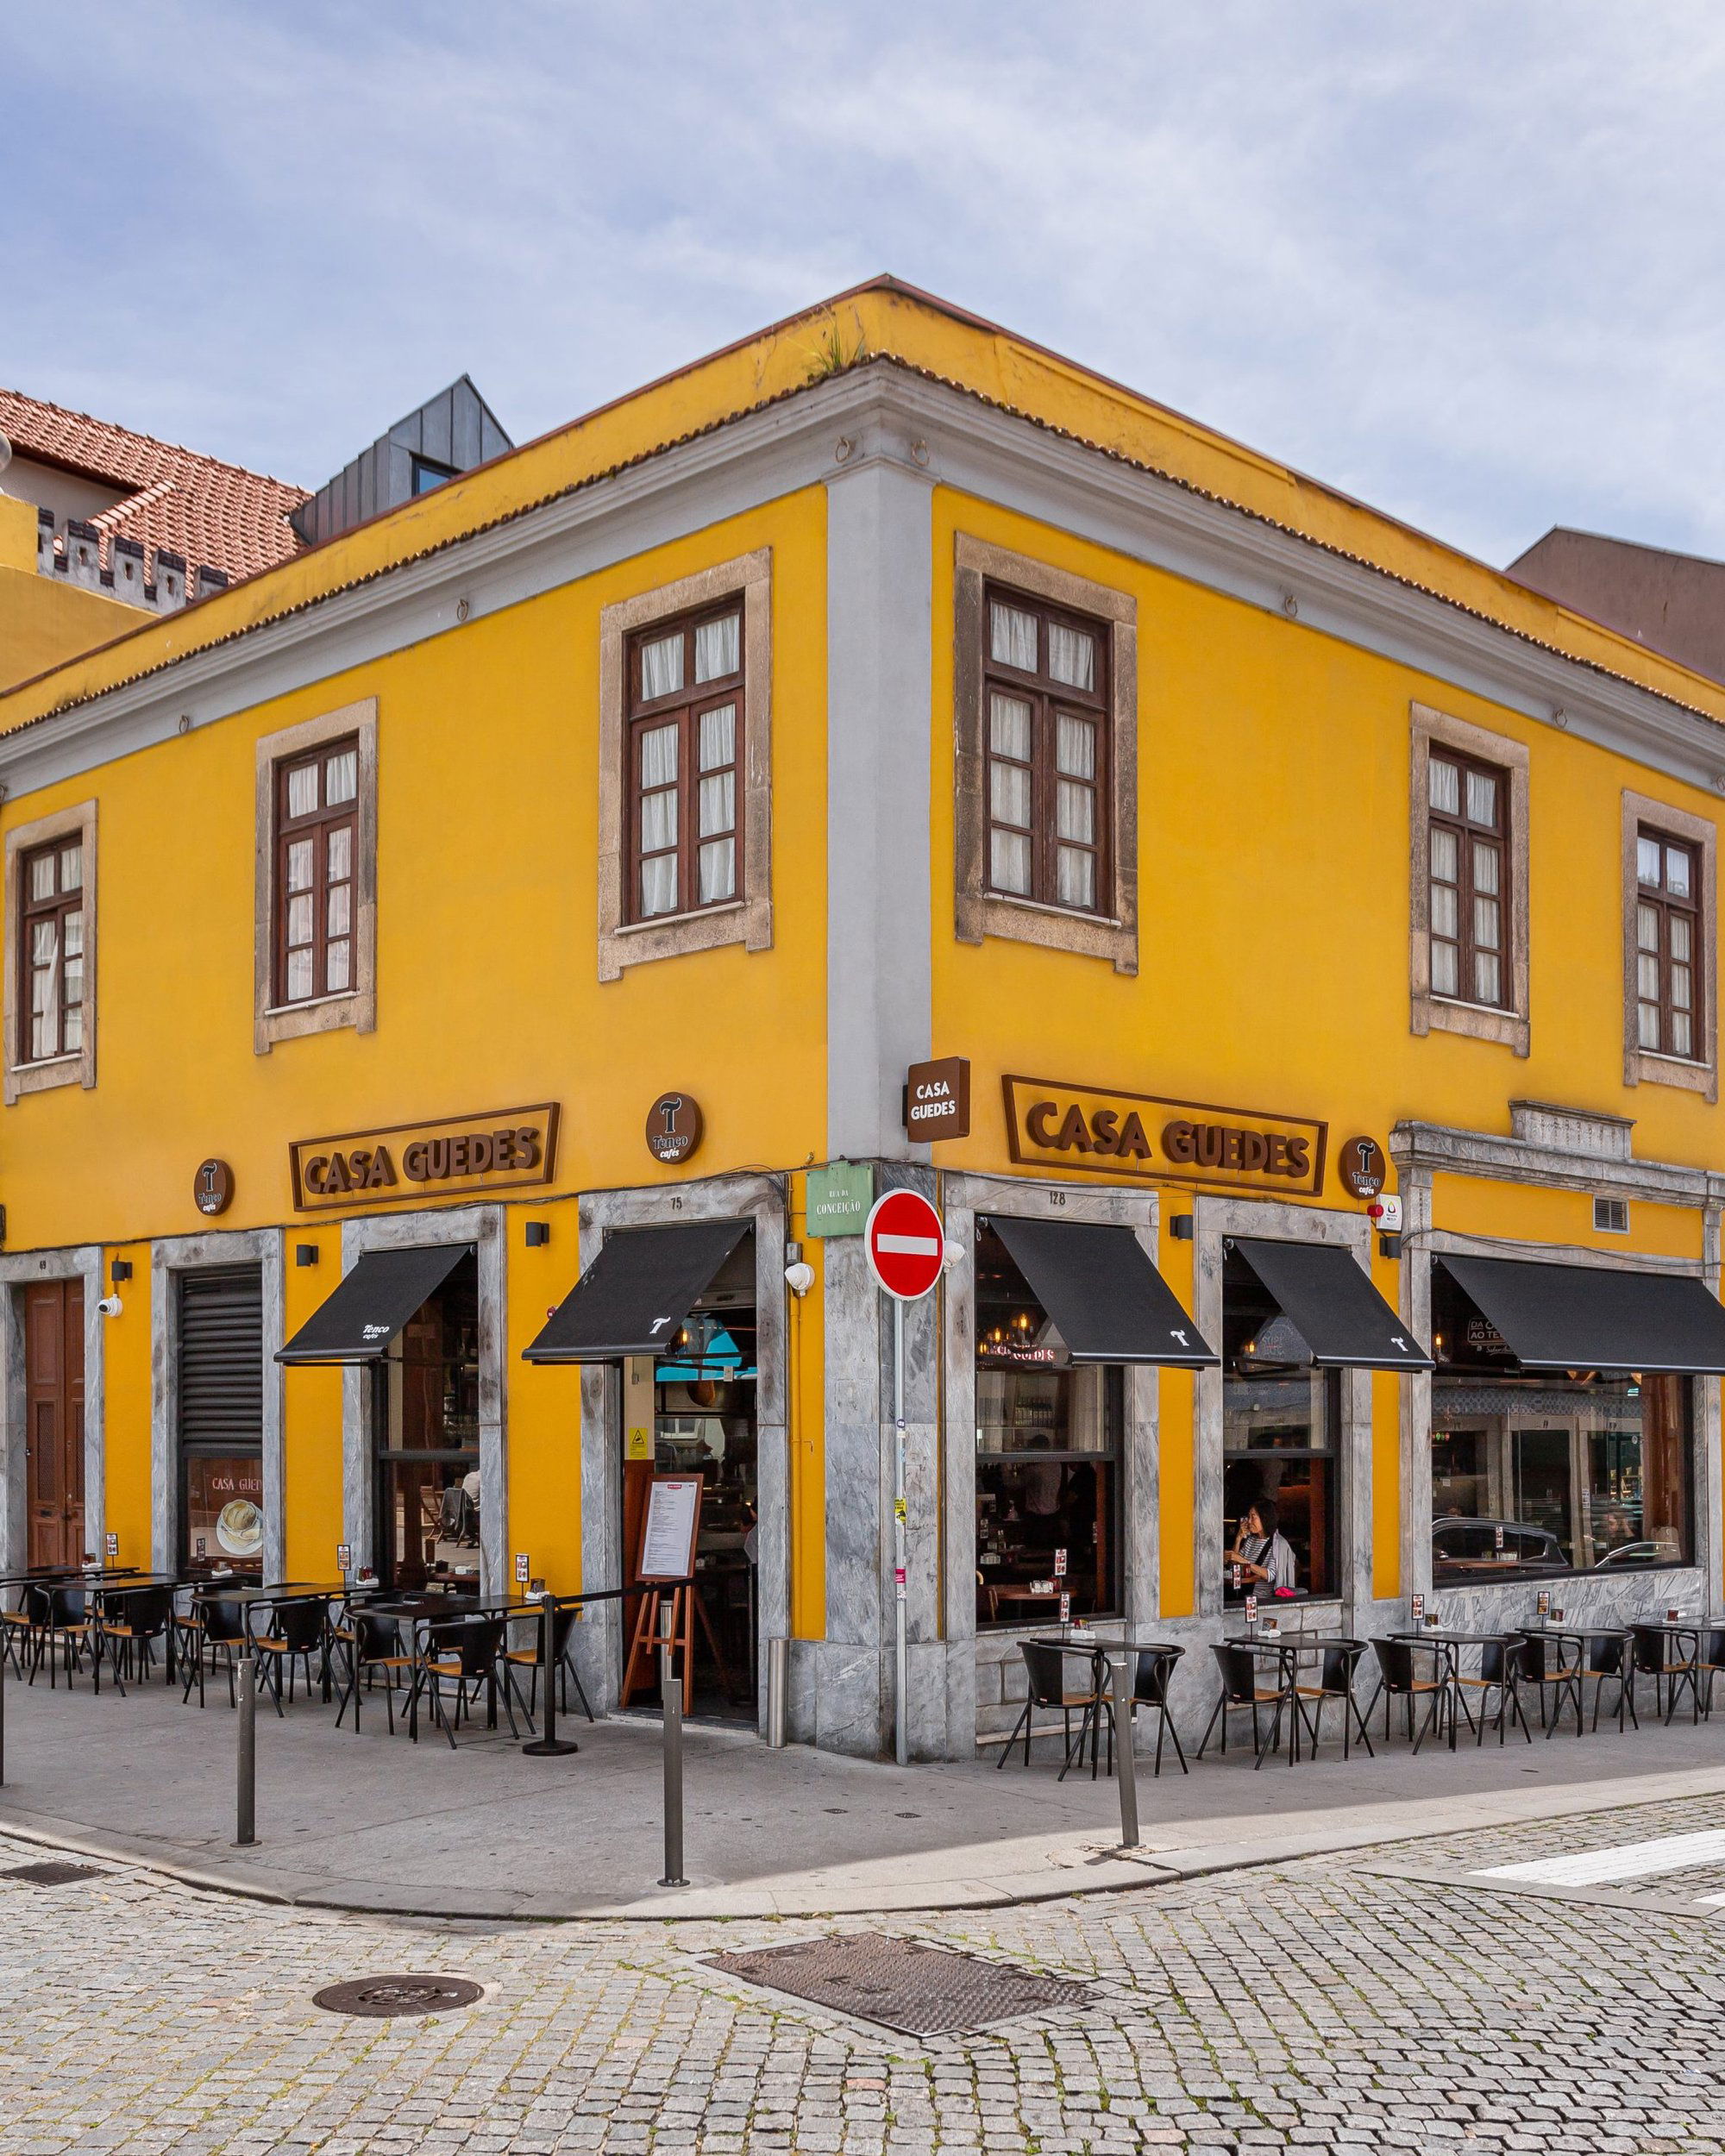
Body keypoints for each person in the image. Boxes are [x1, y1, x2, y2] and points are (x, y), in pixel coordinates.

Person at [1228, 1498, 1297, 1594]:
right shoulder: (1250, 1540)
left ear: (1265, 1518)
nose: (1249, 1521)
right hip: (1244, 1595)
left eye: (1253, 1517)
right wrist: (1238, 1538)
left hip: (1263, 1600)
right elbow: (1234, 1566)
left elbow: (1269, 1575)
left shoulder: (1278, 1544)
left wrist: (1243, 1561)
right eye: (1249, 1517)